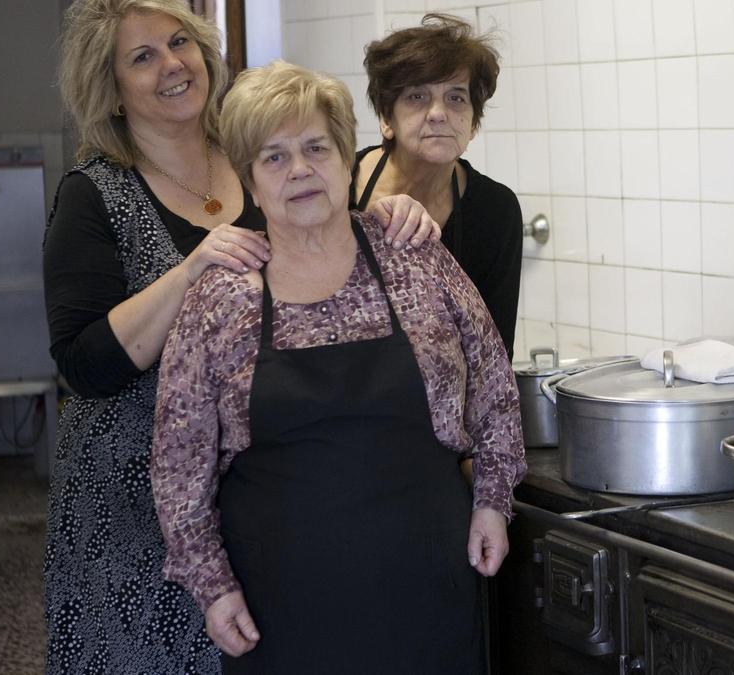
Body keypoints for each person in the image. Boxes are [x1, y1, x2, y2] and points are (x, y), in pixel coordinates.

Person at [42, 1, 436, 671]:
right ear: (110, 87)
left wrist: (387, 209)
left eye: (179, 43)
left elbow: (326, 224)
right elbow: (83, 364)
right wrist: (191, 270)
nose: (172, 65)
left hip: (258, 493)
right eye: (143, 57)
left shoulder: (253, 154)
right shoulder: (94, 194)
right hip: (133, 506)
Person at [151, 60, 526, 674]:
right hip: (280, 601)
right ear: (250, 180)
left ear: (347, 160)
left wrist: (491, 500)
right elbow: (178, 462)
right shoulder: (222, 298)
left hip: (429, 581)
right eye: (274, 157)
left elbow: (495, 389)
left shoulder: (414, 258)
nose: (299, 169)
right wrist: (211, 586)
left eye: (316, 148)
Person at [352, 13, 523, 359]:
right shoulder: (340, 183)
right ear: (386, 119)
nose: (438, 113)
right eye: (417, 96)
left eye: (456, 98)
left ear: (473, 124)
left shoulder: (495, 210)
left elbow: (494, 350)